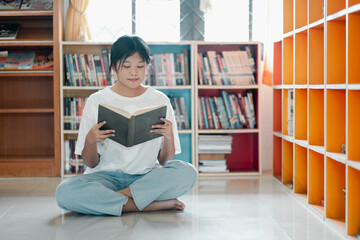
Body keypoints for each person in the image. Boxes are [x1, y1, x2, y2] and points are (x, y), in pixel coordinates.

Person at [56, 35, 198, 216]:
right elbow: (90, 163)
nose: (134, 72)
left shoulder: (160, 100)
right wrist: (90, 141)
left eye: (140, 66)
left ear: (147, 66)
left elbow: (165, 162)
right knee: (64, 192)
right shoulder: (96, 100)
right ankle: (147, 204)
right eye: (127, 66)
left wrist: (168, 136)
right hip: (105, 177)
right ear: (114, 67)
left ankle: (117, 199)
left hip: (146, 177)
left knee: (187, 172)